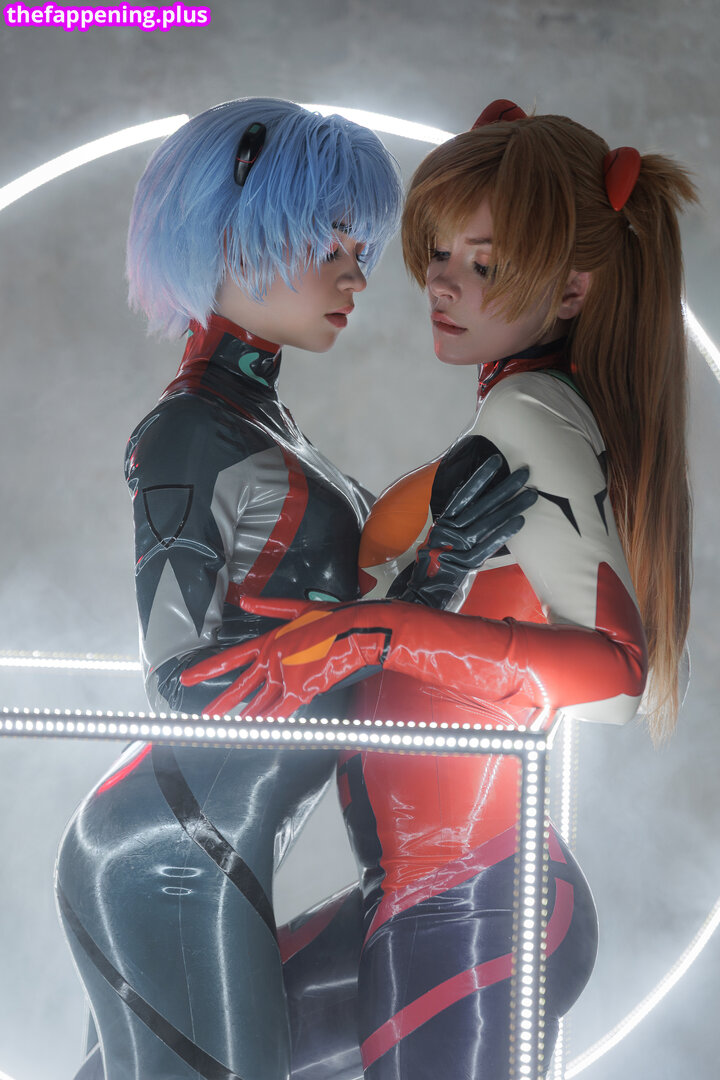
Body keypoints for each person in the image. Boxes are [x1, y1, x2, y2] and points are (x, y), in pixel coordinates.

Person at [185, 100, 695, 1078]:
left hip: (476, 900)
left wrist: (377, 633)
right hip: (418, 893)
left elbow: (615, 678)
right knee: (188, 1038)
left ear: (574, 289)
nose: (442, 282)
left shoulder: (534, 415)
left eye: (485, 265)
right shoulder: (513, 414)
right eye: (440, 253)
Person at [54, 98, 533, 1080]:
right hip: (169, 847)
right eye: (331, 244)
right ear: (236, 236)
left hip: (210, 844)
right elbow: (184, 683)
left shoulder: (266, 428)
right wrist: (381, 617)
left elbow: (355, 652)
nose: (358, 275)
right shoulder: (190, 433)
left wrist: (442, 563)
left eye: (360, 249)